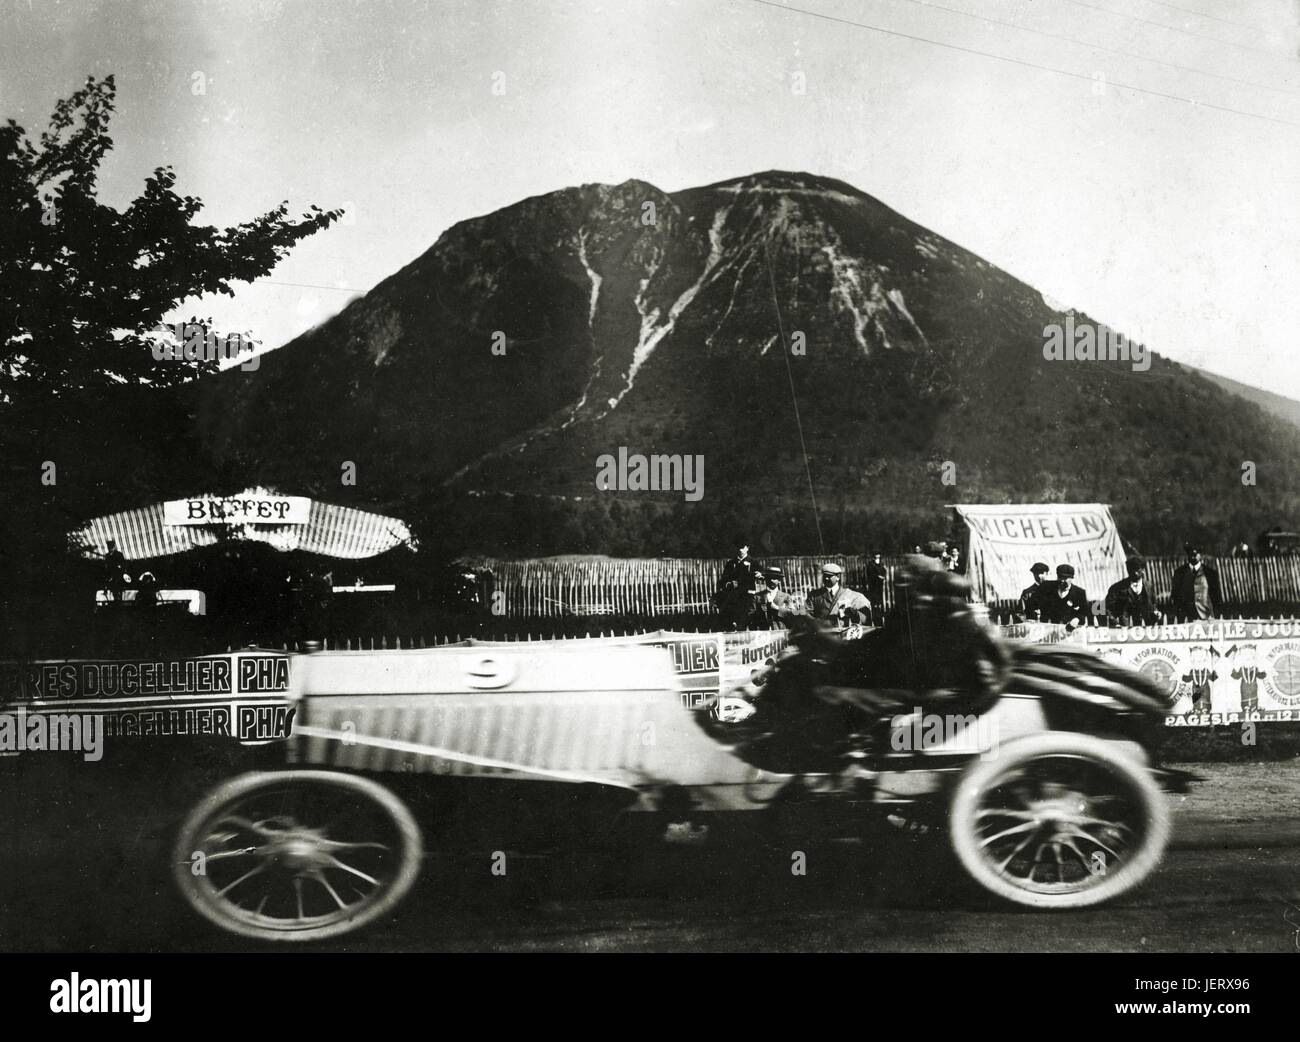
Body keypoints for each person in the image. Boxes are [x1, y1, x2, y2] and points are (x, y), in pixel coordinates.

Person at [715, 539, 763, 631]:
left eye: (742, 547)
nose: (740, 550)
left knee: (747, 620)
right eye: (738, 547)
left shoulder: (753, 562)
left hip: (747, 597)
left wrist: (760, 575)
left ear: (747, 548)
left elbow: (762, 573)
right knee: (732, 622)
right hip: (733, 597)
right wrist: (728, 584)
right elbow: (723, 580)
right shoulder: (731, 563)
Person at [805, 563, 870, 627]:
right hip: (822, 633)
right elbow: (807, 615)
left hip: (843, 634)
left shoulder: (850, 595)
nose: (826, 578)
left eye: (829, 576)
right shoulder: (814, 595)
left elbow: (863, 618)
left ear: (838, 577)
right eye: (825, 576)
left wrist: (854, 613)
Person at [1105, 555, 1163, 626]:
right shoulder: (1116, 588)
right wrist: (1115, 623)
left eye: (1138, 570)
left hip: (1146, 628)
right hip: (1125, 629)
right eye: (1131, 570)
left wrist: (1156, 613)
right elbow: (1108, 608)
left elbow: (1154, 605)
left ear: (1143, 570)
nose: (1135, 573)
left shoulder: (1149, 586)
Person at [1028, 564, 1089, 630]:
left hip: (1068, 632)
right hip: (1046, 630)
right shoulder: (1046, 587)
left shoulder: (1079, 593)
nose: (1062, 580)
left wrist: (1077, 619)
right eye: (1060, 577)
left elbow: (1083, 613)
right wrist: (1033, 616)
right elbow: (1032, 604)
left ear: (1071, 578)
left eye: (1065, 578)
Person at [1171, 544, 1221, 622]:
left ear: (1201, 555)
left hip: (1206, 618)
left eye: (1197, 553)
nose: (1194, 556)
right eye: (1190, 553)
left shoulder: (1210, 573)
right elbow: (1175, 596)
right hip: (1186, 620)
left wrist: (1213, 616)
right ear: (1187, 554)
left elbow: (1216, 598)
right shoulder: (1179, 573)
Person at [864, 552, 888, 623]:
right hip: (873, 584)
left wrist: (883, 576)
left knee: (880, 598)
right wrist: (878, 576)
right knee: (874, 599)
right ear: (874, 556)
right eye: (876, 555)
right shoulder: (871, 564)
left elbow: (884, 570)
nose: (877, 556)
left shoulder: (881, 563)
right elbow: (870, 573)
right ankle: (874, 614)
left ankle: (879, 612)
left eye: (878, 555)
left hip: (880, 584)